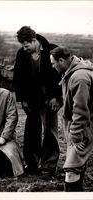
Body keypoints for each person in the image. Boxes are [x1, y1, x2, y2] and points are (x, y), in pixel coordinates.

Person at [13, 26, 62, 177]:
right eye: (22, 45)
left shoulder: (52, 50)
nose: (24, 48)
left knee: (50, 131)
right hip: (31, 100)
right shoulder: (22, 54)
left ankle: (48, 166)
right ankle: (32, 164)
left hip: (50, 99)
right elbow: (18, 77)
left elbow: (61, 76)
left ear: (34, 41)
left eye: (26, 45)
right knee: (32, 131)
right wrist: (22, 99)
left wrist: (57, 97)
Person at [50, 46, 93, 191]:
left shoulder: (79, 78)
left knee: (72, 169)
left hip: (83, 128)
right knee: (78, 165)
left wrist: (75, 136)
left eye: (53, 63)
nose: (52, 66)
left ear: (61, 60)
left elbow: (80, 111)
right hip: (81, 128)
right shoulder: (72, 73)